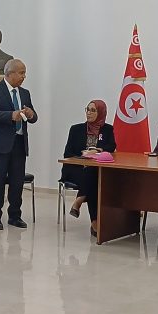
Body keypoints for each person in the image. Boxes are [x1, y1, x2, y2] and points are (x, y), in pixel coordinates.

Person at [0, 58, 37, 230]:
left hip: (19, 144)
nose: (24, 76)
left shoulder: (25, 93)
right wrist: (10, 115)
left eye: (24, 73)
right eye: (21, 73)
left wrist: (31, 115)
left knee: (17, 182)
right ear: (10, 73)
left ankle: (15, 215)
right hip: (0, 145)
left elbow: (33, 117)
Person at [60, 100, 116, 237]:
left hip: (93, 170)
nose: (89, 113)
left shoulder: (107, 129)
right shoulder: (76, 129)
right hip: (75, 168)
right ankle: (94, 222)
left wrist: (98, 150)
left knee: (93, 175)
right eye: (88, 109)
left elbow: (111, 146)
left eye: (93, 110)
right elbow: (67, 153)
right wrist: (83, 156)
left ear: (101, 113)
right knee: (94, 179)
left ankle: (80, 201)